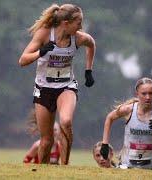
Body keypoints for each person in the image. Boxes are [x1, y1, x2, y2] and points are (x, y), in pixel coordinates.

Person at [18, 3, 96, 165]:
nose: (81, 27)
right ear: (66, 23)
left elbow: (91, 44)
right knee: (46, 141)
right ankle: (43, 172)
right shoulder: (44, 34)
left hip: (66, 87)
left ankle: (64, 167)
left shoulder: (79, 38)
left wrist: (88, 71)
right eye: (78, 23)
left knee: (66, 122)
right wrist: (41, 51)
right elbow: (23, 60)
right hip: (43, 89)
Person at [100, 77, 152, 170]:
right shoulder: (129, 109)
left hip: (150, 168)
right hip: (126, 166)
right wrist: (105, 143)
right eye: (144, 94)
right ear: (137, 94)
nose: (148, 97)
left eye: (151, 93)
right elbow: (109, 118)